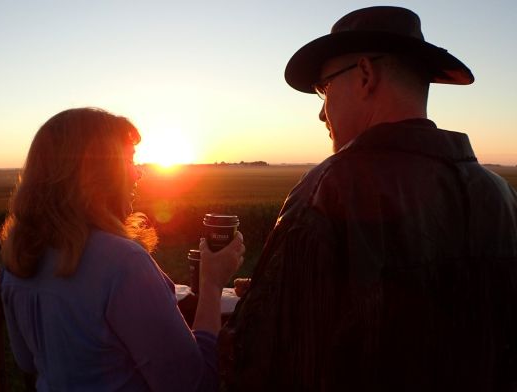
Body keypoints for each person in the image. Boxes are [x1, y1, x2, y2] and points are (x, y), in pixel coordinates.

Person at [219, 6, 517, 391]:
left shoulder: (328, 191)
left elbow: (262, 364)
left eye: (324, 89)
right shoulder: (503, 197)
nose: (322, 115)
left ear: (364, 75)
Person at [0, 107, 245, 391]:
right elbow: (193, 384)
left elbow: (26, 361)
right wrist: (212, 283)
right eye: (129, 160)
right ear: (98, 174)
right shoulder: (122, 262)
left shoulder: (16, 257)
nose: (137, 174)